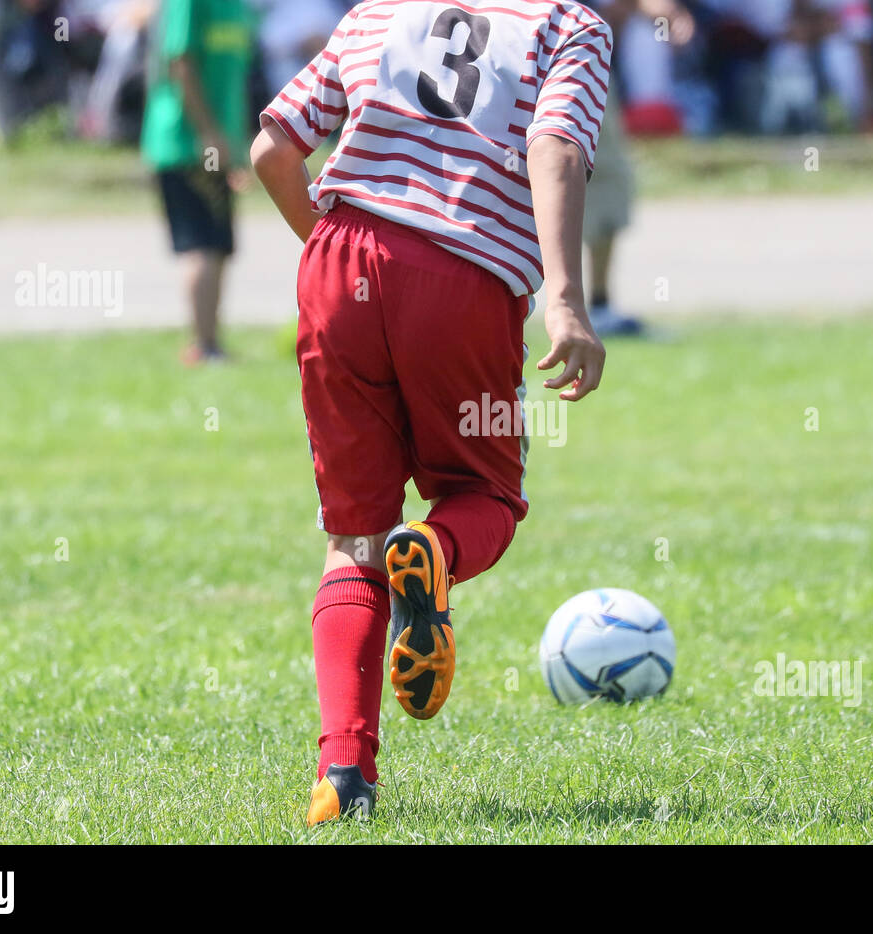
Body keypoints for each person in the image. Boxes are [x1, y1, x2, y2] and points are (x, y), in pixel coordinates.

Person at [251, 0, 611, 824]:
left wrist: (329, 255)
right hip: (463, 277)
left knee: (354, 538)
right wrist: (565, 300)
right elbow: (553, 145)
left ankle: (342, 782)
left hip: (339, 264)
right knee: (486, 499)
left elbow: (273, 148)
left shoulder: (379, 9)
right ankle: (438, 551)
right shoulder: (569, 24)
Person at [140, 0, 254, 364]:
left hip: (220, 143)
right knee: (201, 245)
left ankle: (210, 343)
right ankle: (203, 345)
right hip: (184, 142)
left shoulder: (238, 6)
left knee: (218, 244)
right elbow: (179, 62)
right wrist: (209, 134)